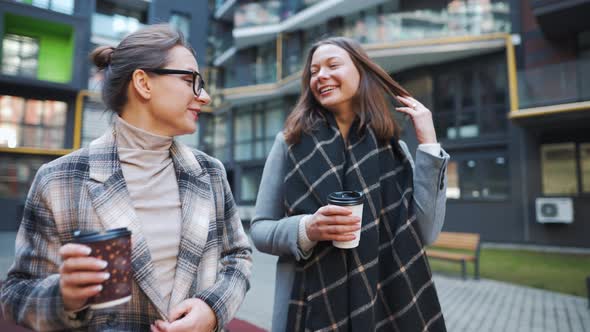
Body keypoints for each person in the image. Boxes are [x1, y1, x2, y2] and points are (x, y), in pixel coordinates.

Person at [0, 24, 252, 332]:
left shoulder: (210, 172)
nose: (205, 97)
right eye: (190, 81)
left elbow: (237, 257)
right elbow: (16, 293)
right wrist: (64, 296)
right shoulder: (59, 179)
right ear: (143, 83)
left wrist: (212, 309)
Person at [250, 36, 449, 331]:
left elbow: (427, 231)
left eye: (333, 65)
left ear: (361, 72)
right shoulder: (290, 144)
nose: (321, 76)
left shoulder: (393, 150)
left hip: (387, 308)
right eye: (314, 71)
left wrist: (429, 145)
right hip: (309, 311)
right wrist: (308, 229)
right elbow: (260, 229)